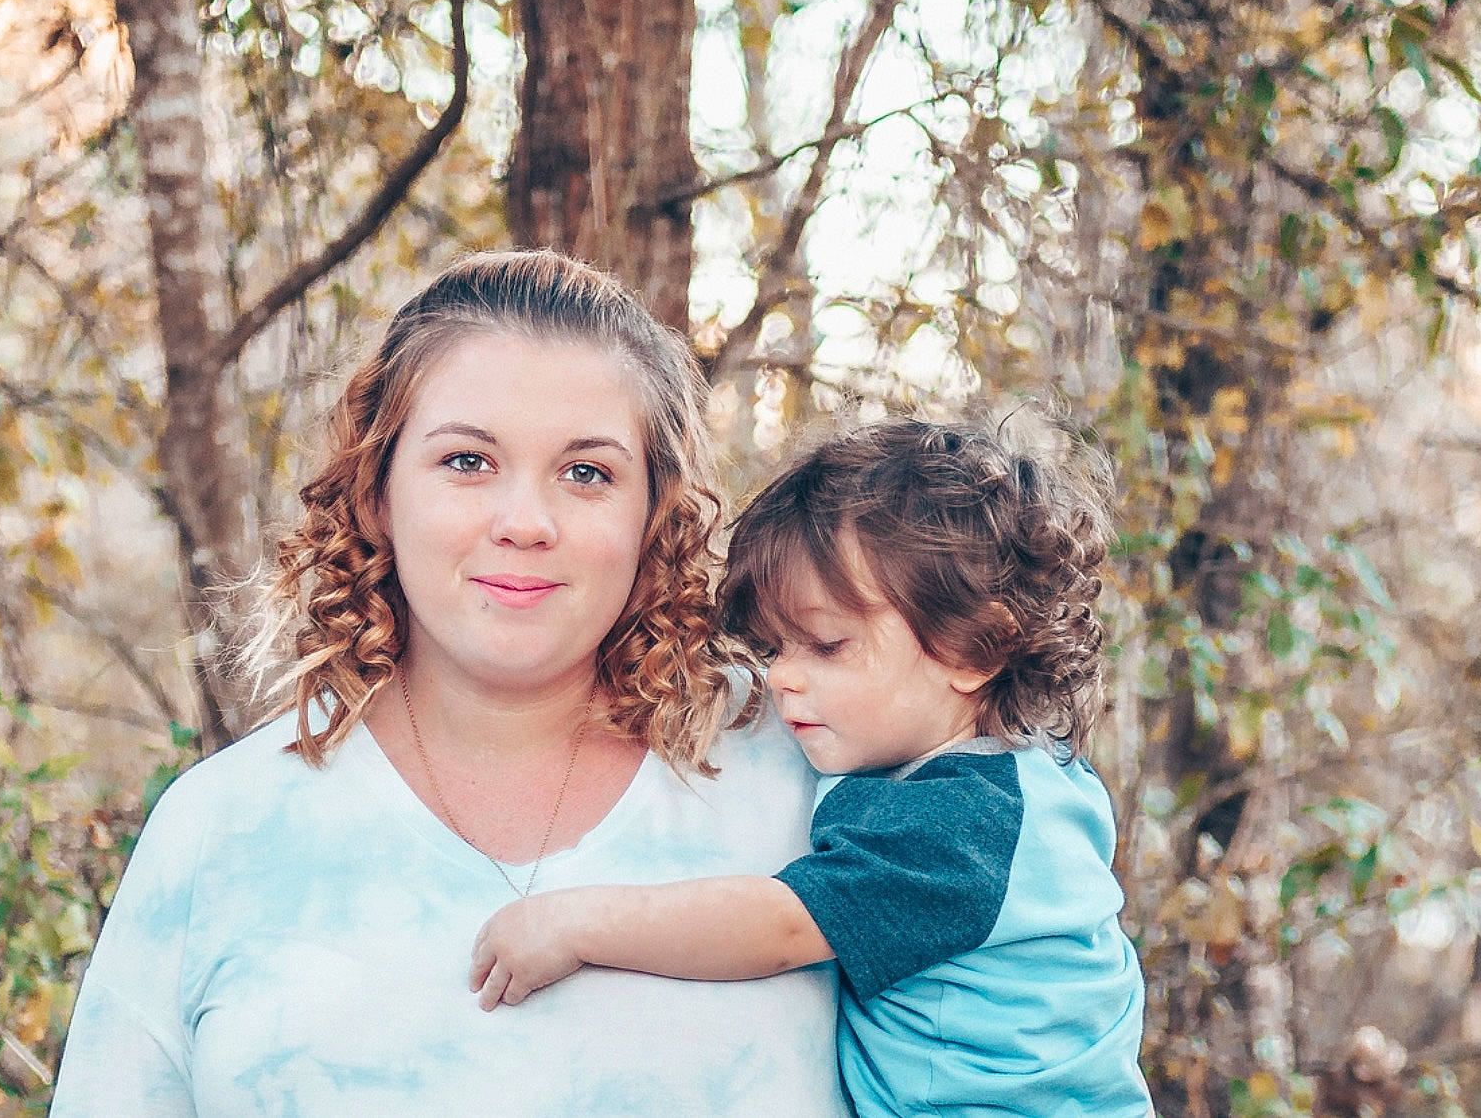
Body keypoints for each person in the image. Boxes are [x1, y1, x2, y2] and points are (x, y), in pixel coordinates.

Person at [50, 251, 843, 1115]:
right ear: (377, 492)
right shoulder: (220, 831)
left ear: (653, 512)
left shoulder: (810, 772)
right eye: (467, 461)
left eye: (586, 472)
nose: (525, 523)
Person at [469, 417, 1153, 1117]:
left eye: (826, 645)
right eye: (774, 647)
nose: (781, 678)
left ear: (975, 650)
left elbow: (779, 927)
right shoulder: (1032, 772)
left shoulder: (963, 824)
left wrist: (578, 925)